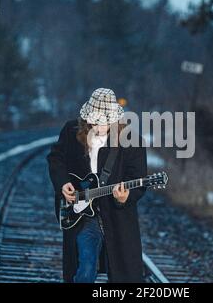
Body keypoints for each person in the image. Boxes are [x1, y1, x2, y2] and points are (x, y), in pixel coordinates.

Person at [47, 88, 147, 283]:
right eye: (92, 120)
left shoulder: (132, 141)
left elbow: (138, 178)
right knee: (85, 265)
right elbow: (55, 158)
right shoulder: (71, 131)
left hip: (116, 215)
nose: (95, 125)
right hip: (82, 214)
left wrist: (126, 196)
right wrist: (63, 183)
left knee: (124, 273)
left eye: (101, 121)